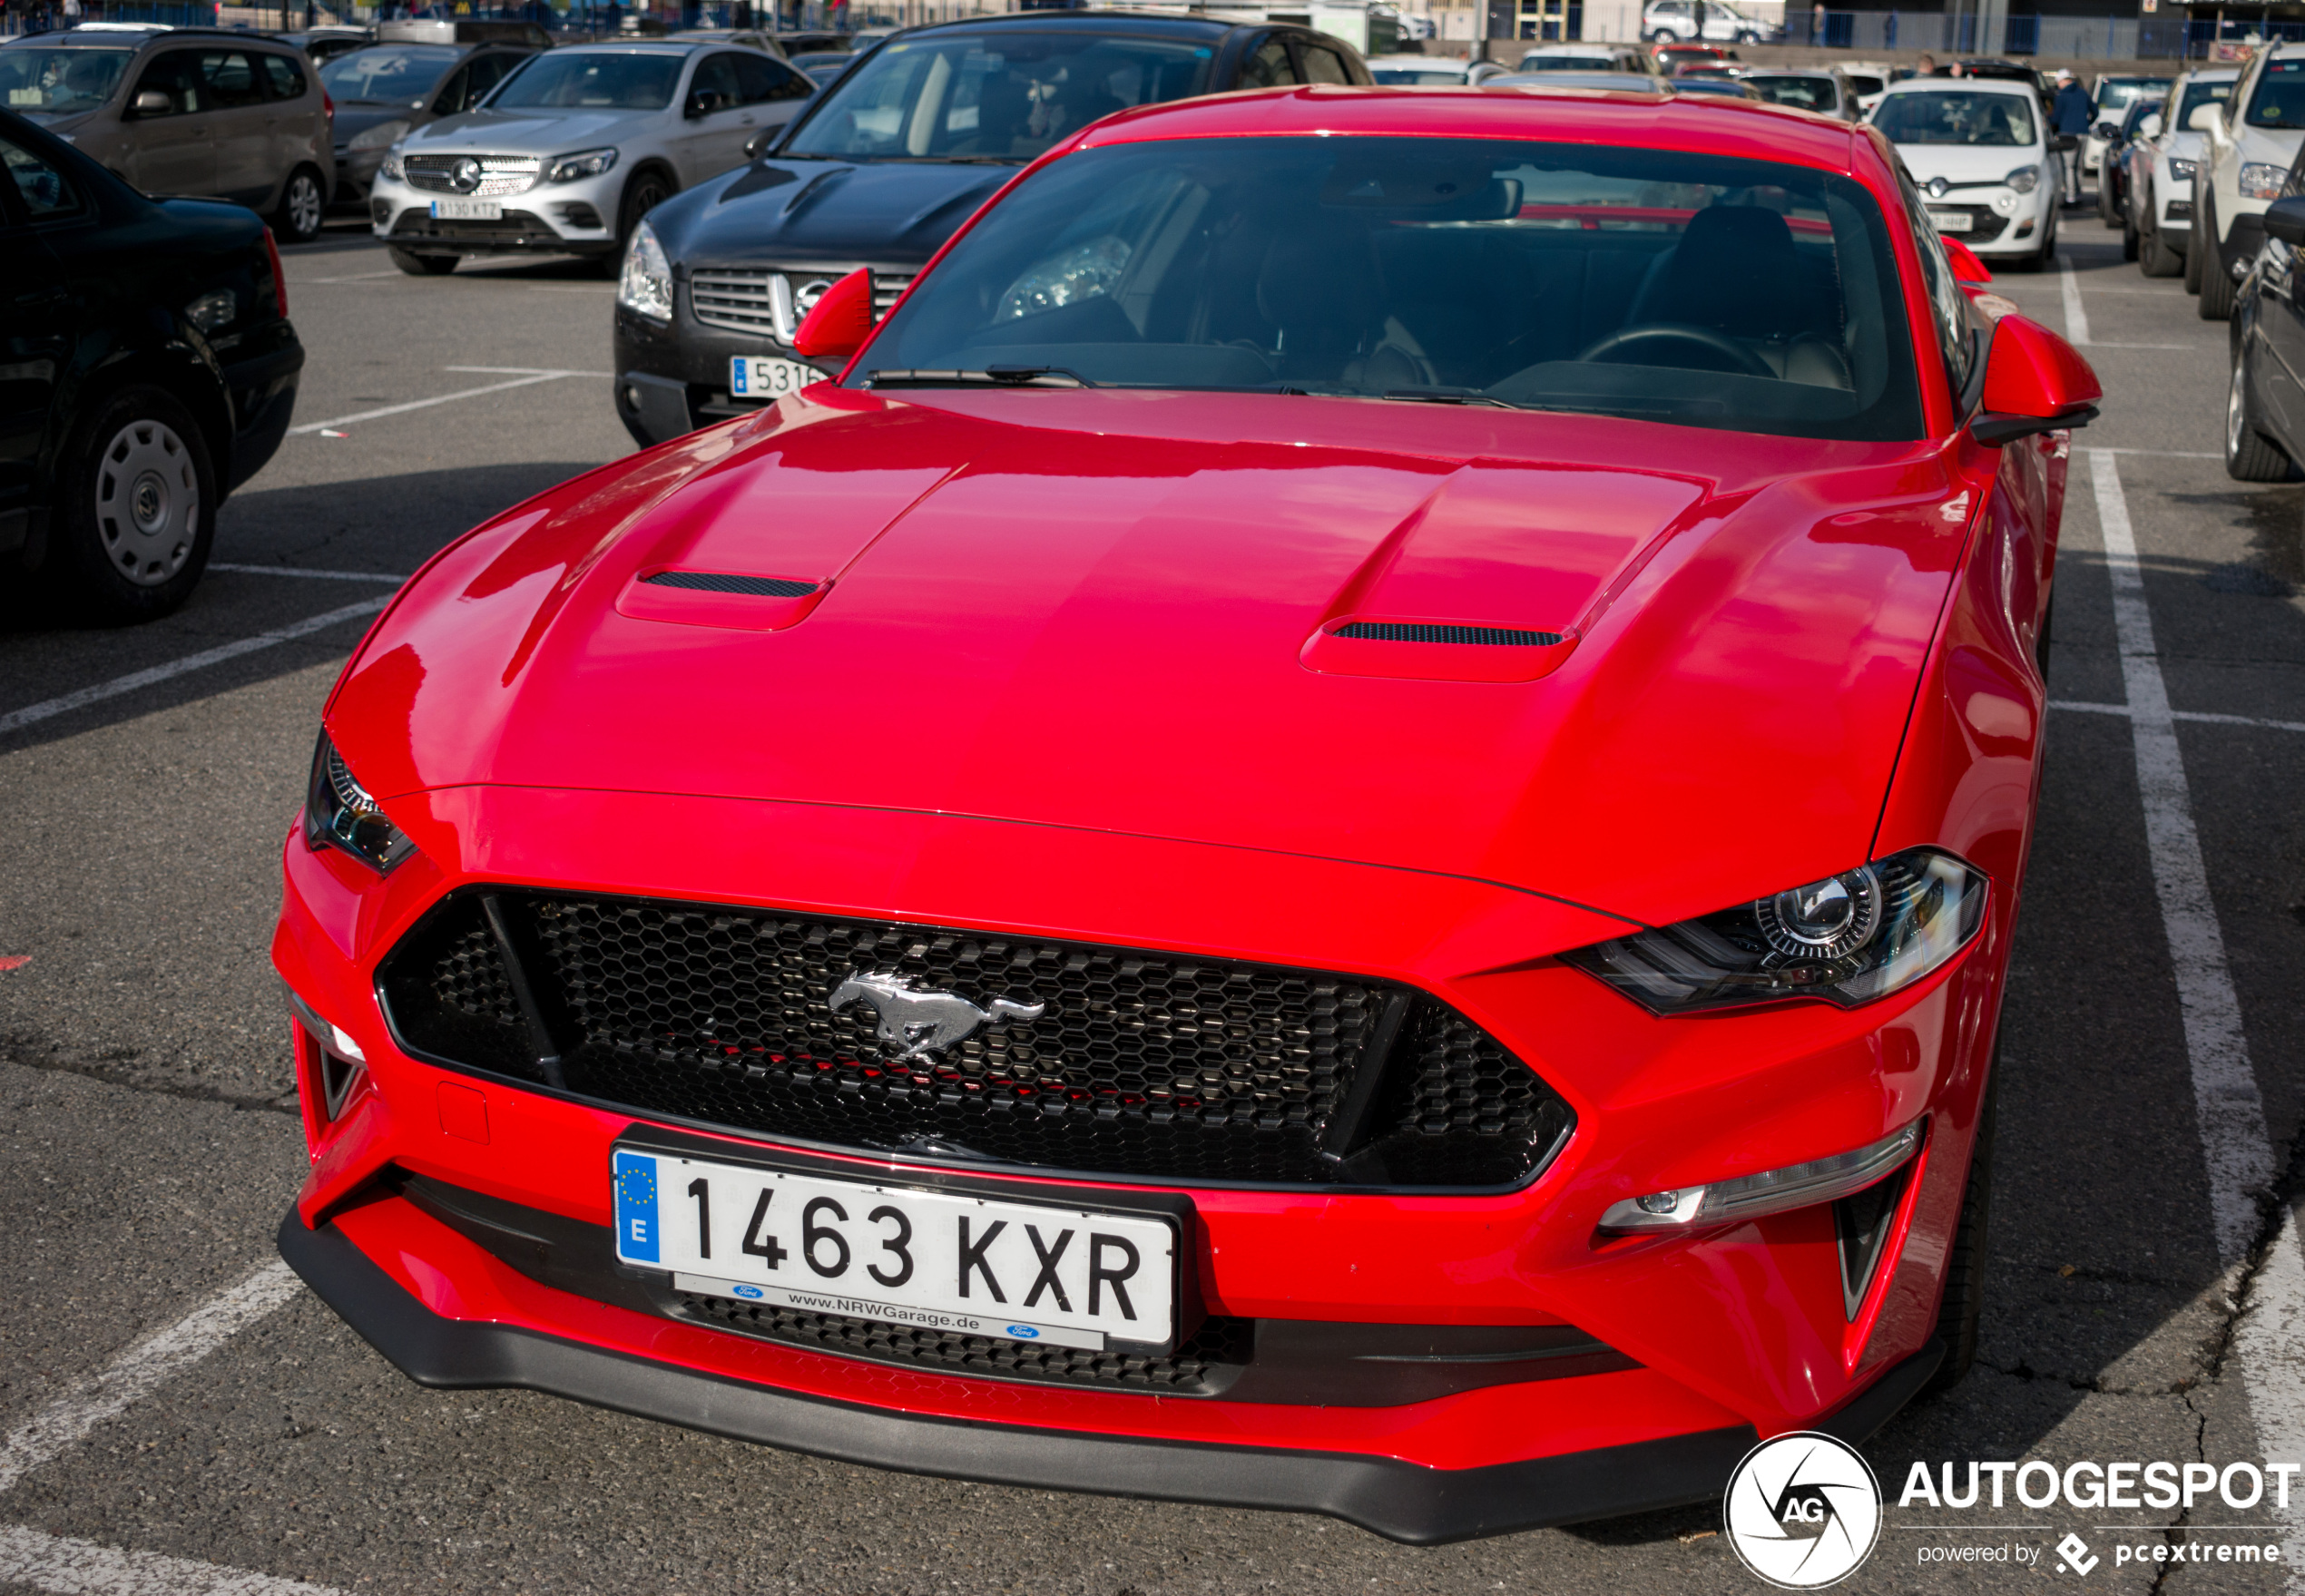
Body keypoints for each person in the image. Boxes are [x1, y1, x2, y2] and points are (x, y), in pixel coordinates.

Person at [2051, 67, 2094, 204]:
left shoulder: (2061, 96)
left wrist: (2051, 125)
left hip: (2067, 134)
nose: (2058, 85)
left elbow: (2056, 118)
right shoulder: (2083, 93)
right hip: (2084, 133)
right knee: (2078, 167)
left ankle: (2070, 197)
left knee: (2069, 167)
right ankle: (2078, 194)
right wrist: (2087, 123)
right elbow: (2095, 111)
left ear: (2063, 81)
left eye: (2059, 82)